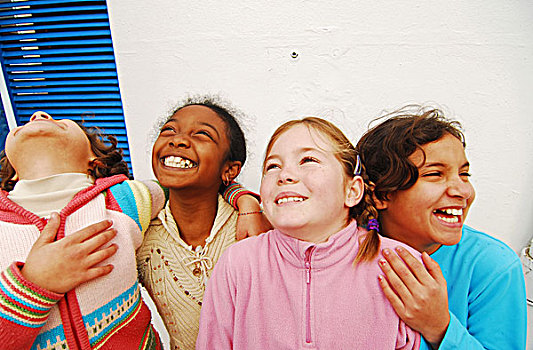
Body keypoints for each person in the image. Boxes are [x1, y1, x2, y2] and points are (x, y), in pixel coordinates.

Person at [197, 117, 422, 349]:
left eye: (308, 160)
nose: (284, 175)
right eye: (273, 166)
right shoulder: (238, 263)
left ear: (352, 191)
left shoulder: (398, 264)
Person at [356, 106, 527, 349]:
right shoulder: (342, 250)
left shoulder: (493, 266)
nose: (463, 191)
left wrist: (438, 326)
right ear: (381, 195)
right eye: (435, 174)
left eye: (464, 174)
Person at [0, 111, 166, 349]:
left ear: (94, 159)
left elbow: (188, 187)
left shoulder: (124, 199)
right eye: (26, 121)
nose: (38, 115)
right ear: (13, 171)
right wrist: (32, 284)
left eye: (60, 121)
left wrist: (237, 196)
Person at [137, 96, 271, 350]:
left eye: (202, 135)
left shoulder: (257, 228)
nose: (177, 140)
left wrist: (246, 200)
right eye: (169, 130)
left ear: (229, 170)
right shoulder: (140, 237)